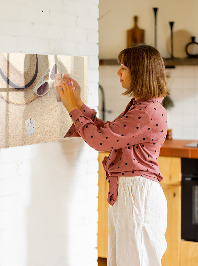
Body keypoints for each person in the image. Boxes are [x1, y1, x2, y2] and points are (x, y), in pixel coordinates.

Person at [57, 44, 169, 266]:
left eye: (124, 67)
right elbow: (108, 133)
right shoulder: (142, 106)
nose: (118, 72)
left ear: (140, 72)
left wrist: (72, 108)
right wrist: (78, 103)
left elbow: (100, 141)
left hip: (137, 195)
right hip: (132, 193)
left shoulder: (146, 111)